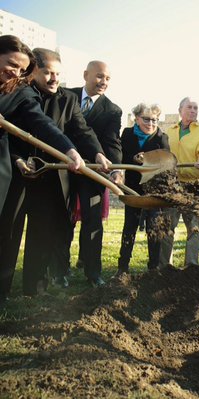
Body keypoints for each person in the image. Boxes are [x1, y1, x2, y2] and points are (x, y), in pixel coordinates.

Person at [5, 48, 109, 295]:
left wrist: (96, 152)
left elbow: (82, 131)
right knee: (9, 232)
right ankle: (3, 288)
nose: (54, 79)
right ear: (33, 72)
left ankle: (35, 286)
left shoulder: (67, 99)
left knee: (42, 232)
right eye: (48, 73)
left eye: (58, 73)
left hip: (51, 179)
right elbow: (11, 135)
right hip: (17, 175)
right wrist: (18, 159)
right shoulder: (20, 94)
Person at [0, 36, 84, 302]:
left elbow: (41, 123)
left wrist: (69, 150)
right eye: (11, 64)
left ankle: (13, 292)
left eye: (21, 69)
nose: (15, 72)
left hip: (23, 173)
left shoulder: (18, 91)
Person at [69, 60, 122, 287]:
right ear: (85, 75)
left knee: (93, 222)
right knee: (62, 219)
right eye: (100, 76)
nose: (104, 82)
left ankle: (93, 272)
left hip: (93, 172)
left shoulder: (112, 110)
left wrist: (117, 168)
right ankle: (59, 271)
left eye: (108, 78)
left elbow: (112, 142)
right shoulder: (66, 96)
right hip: (62, 168)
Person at [116, 103, 170, 275]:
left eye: (155, 120)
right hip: (132, 189)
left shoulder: (161, 137)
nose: (151, 123)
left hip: (154, 191)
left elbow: (167, 162)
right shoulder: (127, 134)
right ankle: (123, 266)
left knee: (154, 228)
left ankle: (153, 268)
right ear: (136, 118)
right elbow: (120, 156)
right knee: (129, 227)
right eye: (146, 119)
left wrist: (148, 160)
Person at [163, 97, 199, 268]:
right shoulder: (169, 131)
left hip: (195, 185)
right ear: (180, 110)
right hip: (173, 184)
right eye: (190, 107)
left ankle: (191, 266)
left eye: (196, 108)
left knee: (193, 226)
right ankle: (165, 265)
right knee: (167, 224)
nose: (193, 110)